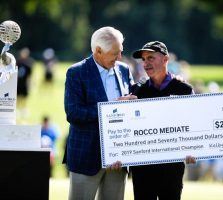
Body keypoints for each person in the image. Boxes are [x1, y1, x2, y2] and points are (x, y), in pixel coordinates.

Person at [64, 26, 136, 200]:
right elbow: (73, 113)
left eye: (120, 52)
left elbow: (136, 100)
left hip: (118, 158)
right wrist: (111, 109)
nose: (119, 57)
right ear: (98, 50)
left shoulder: (124, 70)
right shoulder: (76, 72)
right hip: (86, 156)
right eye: (114, 53)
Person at [131, 41, 195, 200]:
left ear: (166, 59)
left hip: (172, 167)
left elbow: (193, 124)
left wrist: (193, 149)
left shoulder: (184, 90)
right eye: (144, 60)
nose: (146, 63)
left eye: (151, 58)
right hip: (142, 168)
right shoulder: (136, 91)